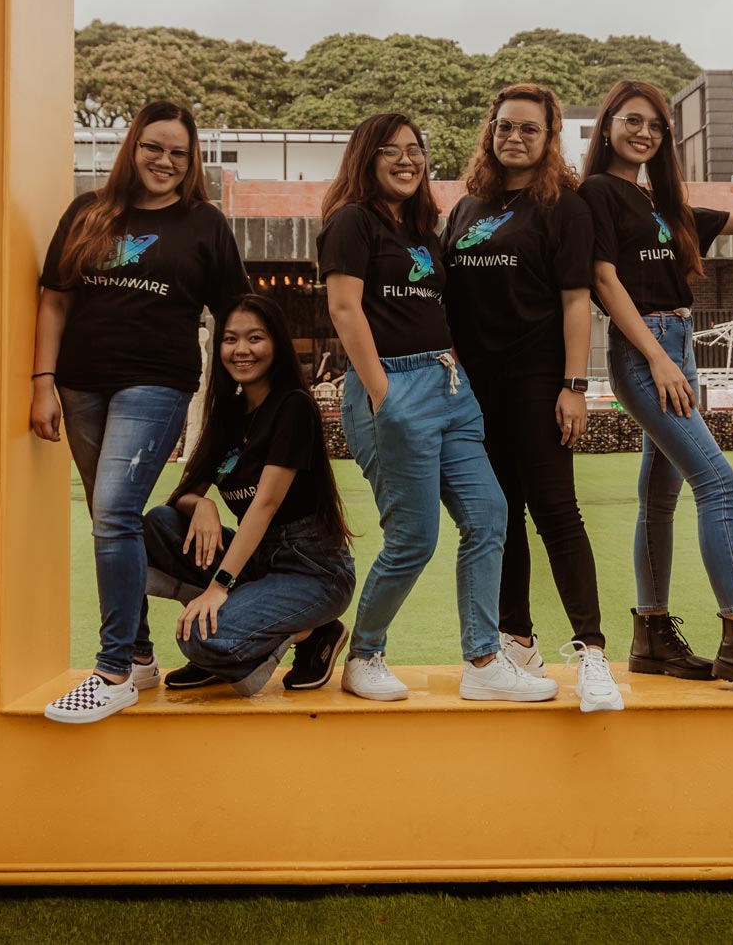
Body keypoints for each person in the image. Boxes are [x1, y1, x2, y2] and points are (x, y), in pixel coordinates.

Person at [579, 79, 733, 698]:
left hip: (680, 343)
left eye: (655, 125)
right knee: (718, 480)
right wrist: (656, 358)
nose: (644, 132)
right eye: (632, 121)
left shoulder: (661, 201)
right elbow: (602, 277)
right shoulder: (599, 192)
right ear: (608, 128)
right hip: (646, 347)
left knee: (660, 495)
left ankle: (652, 634)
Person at [319, 112, 555, 703]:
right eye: (391, 151)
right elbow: (346, 311)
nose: (407, 160)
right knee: (413, 539)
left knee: (489, 515)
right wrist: (382, 393)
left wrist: (456, 374)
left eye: (415, 150)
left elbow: (435, 310)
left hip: (449, 385)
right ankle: (364, 654)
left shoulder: (425, 229)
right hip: (393, 389)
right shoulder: (352, 222)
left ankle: (482, 659)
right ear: (366, 158)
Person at [31, 99, 251, 724]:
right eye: (155, 147)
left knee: (116, 510)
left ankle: (113, 670)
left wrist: (245, 392)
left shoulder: (204, 223)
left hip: (156, 384)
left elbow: (236, 312)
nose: (165, 161)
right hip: (79, 385)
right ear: (133, 147)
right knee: (112, 519)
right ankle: (142, 656)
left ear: (192, 162)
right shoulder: (88, 213)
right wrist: (43, 381)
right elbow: (53, 301)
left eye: (179, 153)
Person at [446, 83, 621, 712]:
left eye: (529, 129)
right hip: (475, 391)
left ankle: (593, 655)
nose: (514, 138)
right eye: (504, 127)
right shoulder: (466, 207)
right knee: (498, 515)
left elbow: (579, 301)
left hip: (539, 381)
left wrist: (575, 386)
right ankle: (516, 643)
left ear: (550, 138)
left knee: (555, 509)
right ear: (489, 132)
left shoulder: (564, 208)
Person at [140, 294, 356, 695]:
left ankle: (315, 634)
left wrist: (218, 587)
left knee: (199, 639)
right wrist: (201, 503)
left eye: (255, 338)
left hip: (313, 570)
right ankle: (236, 638)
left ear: (275, 343)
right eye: (231, 339)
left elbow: (266, 504)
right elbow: (181, 496)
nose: (242, 350)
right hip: (257, 560)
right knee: (159, 524)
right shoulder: (228, 415)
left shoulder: (293, 406)